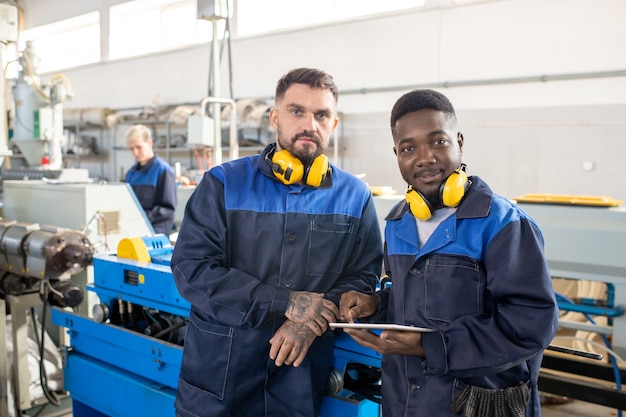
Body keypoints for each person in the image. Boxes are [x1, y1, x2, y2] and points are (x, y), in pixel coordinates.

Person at [170, 68, 383, 417]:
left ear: (334, 124)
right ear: (274, 117)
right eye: (296, 111)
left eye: (321, 115)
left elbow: (362, 276)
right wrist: (285, 302)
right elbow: (191, 269)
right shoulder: (224, 184)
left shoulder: (354, 196)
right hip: (222, 374)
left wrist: (307, 320)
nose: (309, 124)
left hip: (298, 377)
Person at [338, 89, 559, 417]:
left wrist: (429, 346)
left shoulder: (502, 224)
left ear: (459, 141)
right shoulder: (399, 223)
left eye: (437, 142)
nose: (424, 157)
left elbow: (531, 323)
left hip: (477, 405)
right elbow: (415, 303)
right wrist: (377, 305)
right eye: (409, 148)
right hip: (407, 404)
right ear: (396, 153)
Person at [123, 124, 177, 235]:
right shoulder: (131, 173)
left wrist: (142, 218)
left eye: (138, 147)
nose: (135, 152)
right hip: (133, 230)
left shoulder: (163, 171)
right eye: (131, 149)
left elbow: (168, 209)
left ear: (149, 143)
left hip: (155, 232)